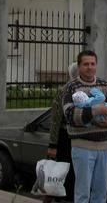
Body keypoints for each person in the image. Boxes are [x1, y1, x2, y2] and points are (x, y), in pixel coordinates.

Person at [63, 50, 107, 203]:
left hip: (105, 147)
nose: (90, 67)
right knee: (83, 193)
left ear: (96, 65)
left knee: (101, 192)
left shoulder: (106, 85)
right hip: (82, 147)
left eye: (92, 64)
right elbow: (69, 115)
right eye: (85, 64)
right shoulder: (71, 87)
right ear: (79, 66)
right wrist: (96, 110)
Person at [45, 62, 79, 203]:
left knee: (71, 172)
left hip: (77, 139)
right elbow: (56, 120)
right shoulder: (65, 91)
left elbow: (54, 120)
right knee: (65, 172)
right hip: (67, 139)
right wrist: (53, 145)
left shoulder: (85, 90)